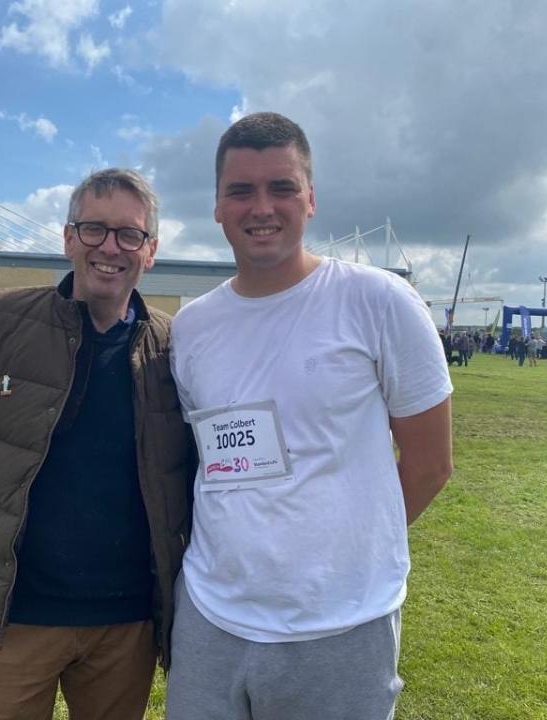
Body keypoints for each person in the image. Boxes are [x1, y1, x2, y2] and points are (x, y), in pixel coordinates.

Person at [166, 112, 453, 720]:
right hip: (211, 616)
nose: (261, 207)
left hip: (341, 624)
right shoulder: (191, 327)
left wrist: (343, 555)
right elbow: (210, 459)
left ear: (312, 198)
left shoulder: (380, 301)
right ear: (217, 206)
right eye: (241, 190)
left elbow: (430, 465)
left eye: (282, 187)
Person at [0, 168, 193, 720]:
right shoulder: (1, 323)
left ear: (149, 251)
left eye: (129, 234)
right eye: (93, 229)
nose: (110, 247)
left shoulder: (174, 347)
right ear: (67, 238)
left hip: (126, 624)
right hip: (17, 614)